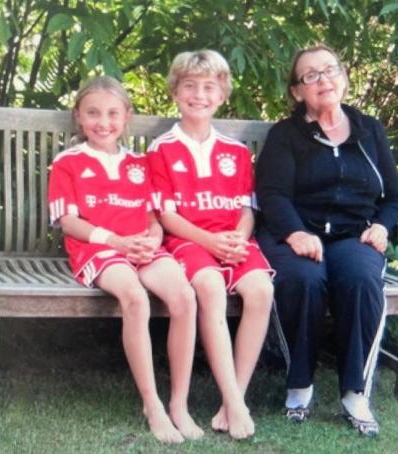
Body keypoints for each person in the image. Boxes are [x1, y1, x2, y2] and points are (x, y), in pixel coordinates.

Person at [255, 44, 398, 437]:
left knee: (360, 278)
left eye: (329, 70)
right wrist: (294, 232)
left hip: (353, 234)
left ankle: (355, 392)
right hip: (294, 232)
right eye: (310, 75)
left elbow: (393, 199)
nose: (323, 80)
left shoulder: (370, 129)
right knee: (303, 279)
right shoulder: (285, 135)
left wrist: (383, 227)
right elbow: (272, 195)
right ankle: (299, 384)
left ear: (344, 77)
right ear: (296, 91)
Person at [47, 76, 202, 444]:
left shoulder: (140, 162)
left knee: (184, 296)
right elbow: (68, 222)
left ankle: (179, 404)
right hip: (99, 248)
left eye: (113, 113)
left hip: (142, 246)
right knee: (134, 297)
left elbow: (153, 216)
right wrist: (116, 241)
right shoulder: (68, 162)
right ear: (79, 118)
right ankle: (153, 405)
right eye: (93, 113)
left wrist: (153, 239)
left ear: (127, 117)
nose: (103, 122)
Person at [146, 50, 275, 440]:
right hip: (189, 240)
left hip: (232, 238)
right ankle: (236, 404)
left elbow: (247, 209)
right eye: (189, 86)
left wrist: (240, 236)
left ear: (221, 95)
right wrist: (211, 242)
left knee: (261, 290)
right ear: (174, 92)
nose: (199, 95)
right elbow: (167, 217)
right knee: (210, 287)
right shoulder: (162, 149)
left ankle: (231, 399)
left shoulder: (235, 152)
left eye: (208, 87)